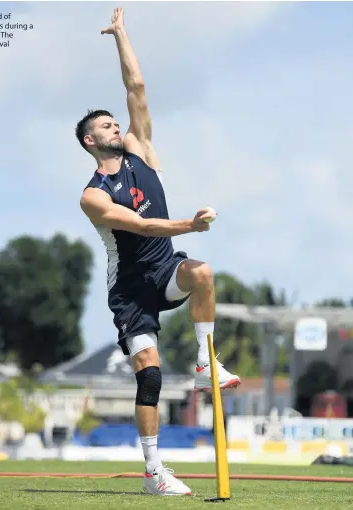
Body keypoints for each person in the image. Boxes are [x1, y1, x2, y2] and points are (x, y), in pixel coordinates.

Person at [76, 7, 241, 496]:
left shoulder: (141, 150)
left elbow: (138, 89)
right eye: (106, 126)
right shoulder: (92, 196)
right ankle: (153, 473)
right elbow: (144, 225)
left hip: (167, 268)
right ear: (91, 141)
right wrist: (188, 224)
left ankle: (204, 360)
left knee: (204, 272)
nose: (116, 128)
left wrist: (121, 36)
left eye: (115, 123)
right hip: (129, 290)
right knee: (148, 379)